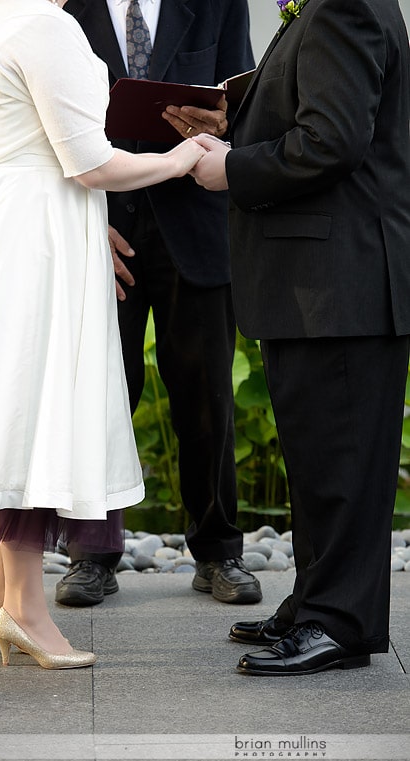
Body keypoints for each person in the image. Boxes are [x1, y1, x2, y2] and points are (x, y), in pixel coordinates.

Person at [0, 0, 206, 670]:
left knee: (13, 407)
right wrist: (182, 159)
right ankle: (26, 611)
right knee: (31, 412)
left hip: (7, 227)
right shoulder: (45, 25)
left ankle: (0, 596)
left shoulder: (1, 16)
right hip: (35, 238)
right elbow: (90, 164)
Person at [192, 0, 410, 675]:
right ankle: (316, 604)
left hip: (341, 283)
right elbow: (316, 111)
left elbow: (333, 139)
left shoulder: (344, 5)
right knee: (320, 462)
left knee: (341, 467)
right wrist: (237, 124)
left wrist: (233, 167)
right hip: (321, 282)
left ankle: (339, 624)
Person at [55, 0, 263, 607]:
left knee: (208, 396)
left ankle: (220, 551)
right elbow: (45, 128)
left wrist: (220, 121)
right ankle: (91, 555)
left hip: (195, 221)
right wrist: (80, 223)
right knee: (98, 390)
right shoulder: (62, 7)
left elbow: (241, 98)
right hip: (100, 227)